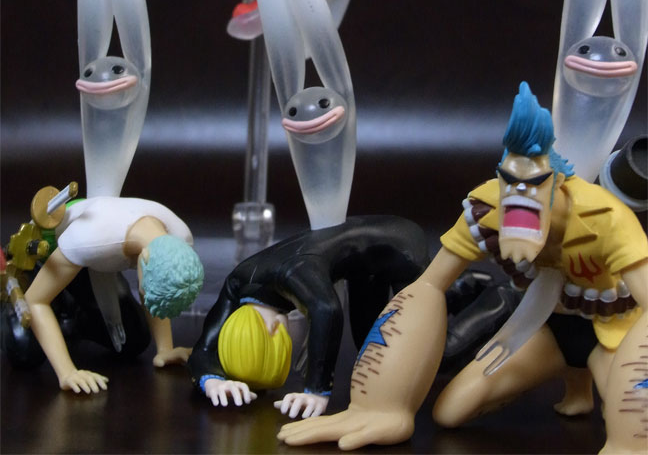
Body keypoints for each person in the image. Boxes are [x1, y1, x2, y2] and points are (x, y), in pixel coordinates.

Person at [277, 83, 648, 452]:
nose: (519, 198)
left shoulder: (605, 219)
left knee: (628, 434)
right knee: (450, 412)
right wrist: (379, 403)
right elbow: (429, 286)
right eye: (510, 182)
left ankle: (605, 405)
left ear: (556, 181)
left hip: (613, 334)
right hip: (548, 330)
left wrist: (632, 434)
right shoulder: (488, 208)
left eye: (533, 184)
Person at [187, 214, 430, 419]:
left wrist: (316, 391)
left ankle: (459, 295)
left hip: (401, 247)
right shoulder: (237, 282)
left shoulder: (292, 272)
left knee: (432, 351)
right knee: (370, 348)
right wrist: (212, 381)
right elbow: (204, 349)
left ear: (274, 331)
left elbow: (327, 309)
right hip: (365, 261)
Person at [24, 197, 204, 394]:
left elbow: (158, 283)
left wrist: (165, 349)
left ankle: (73, 322)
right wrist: (67, 372)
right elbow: (35, 300)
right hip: (49, 253)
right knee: (24, 348)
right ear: (143, 258)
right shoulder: (89, 238)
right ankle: (62, 314)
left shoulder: (180, 238)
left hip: (98, 261)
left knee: (134, 339)